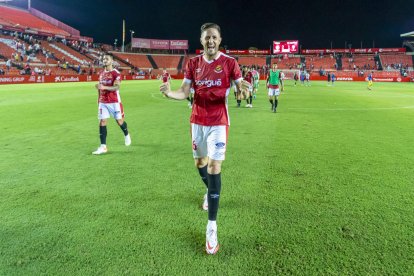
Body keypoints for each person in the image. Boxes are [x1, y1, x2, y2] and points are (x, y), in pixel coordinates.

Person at [159, 22, 250, 255]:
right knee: (200, 164)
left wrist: (243, 90)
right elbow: (184, 92)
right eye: (207, 37)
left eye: (214, 37)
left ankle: (211, 227)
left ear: (219, 40)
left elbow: (240, 87)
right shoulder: (193, 64)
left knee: (214, 164)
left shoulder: (230, 63)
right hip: (197, 121)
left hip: (219, 121)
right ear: (202, 41)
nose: (210, 41)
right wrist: (170, 93)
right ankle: (209, 191)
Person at [92, 53, 131, 155]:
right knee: (102, 121)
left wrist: (104, 87)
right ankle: (103, 146)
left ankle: (126, 134)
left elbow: (116, 87)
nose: (105, 60)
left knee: (119, 121)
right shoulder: (101, 73)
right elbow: (100, 88)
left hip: (114, 102)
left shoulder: (116, 73)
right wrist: (98, 99)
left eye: (107, 59)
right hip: (103, 102)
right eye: (104, 59)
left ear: (112, 61)